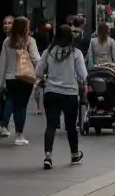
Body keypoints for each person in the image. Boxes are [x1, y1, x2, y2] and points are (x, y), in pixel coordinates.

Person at [35, 24, 87, 169]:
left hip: (51, 92)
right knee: (71, 126)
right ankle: (75, 154)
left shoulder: (48, 52)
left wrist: (47, 76)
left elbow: (38, 71)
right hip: (69, 93)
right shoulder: (76, 53)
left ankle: (48, 156)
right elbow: (83, 74)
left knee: (51, 125)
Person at [0, 16, 40, 145]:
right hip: (25, 77)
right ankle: (19, 135)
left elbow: (2, 63)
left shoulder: (7, 42)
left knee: (13, 102)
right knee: (21, 107)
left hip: (10, 78)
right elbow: (36, 59)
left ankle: (5, 126)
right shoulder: (30, 41)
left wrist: (0, 83)